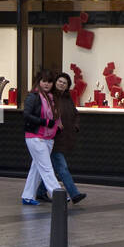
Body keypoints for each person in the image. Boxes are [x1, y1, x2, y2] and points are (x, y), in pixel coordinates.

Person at [35, 71, 87, 204]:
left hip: (65, 138)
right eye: (59, 81)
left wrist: (75, 126)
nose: (61, 84)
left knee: (50, 167)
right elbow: (46, 114)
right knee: (62, 167)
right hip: (52, 138)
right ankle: (74, 194)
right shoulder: (50, 97)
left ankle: (40, 192)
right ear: (55, 82)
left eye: (65, 83)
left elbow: (75, 114)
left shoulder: (68, 98)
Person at [22, 70, 61, 205]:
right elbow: (26, 115)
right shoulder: (33, 96)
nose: (47, 84)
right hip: (35, 136)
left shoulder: (51, 98)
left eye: (49, 82)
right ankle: (58, 194)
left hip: (48, 137)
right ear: (39, 81)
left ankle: (27, 196)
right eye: (44, 81)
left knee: (37, 168)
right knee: (46, 167)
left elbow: (55, 116)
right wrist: (44, 122)